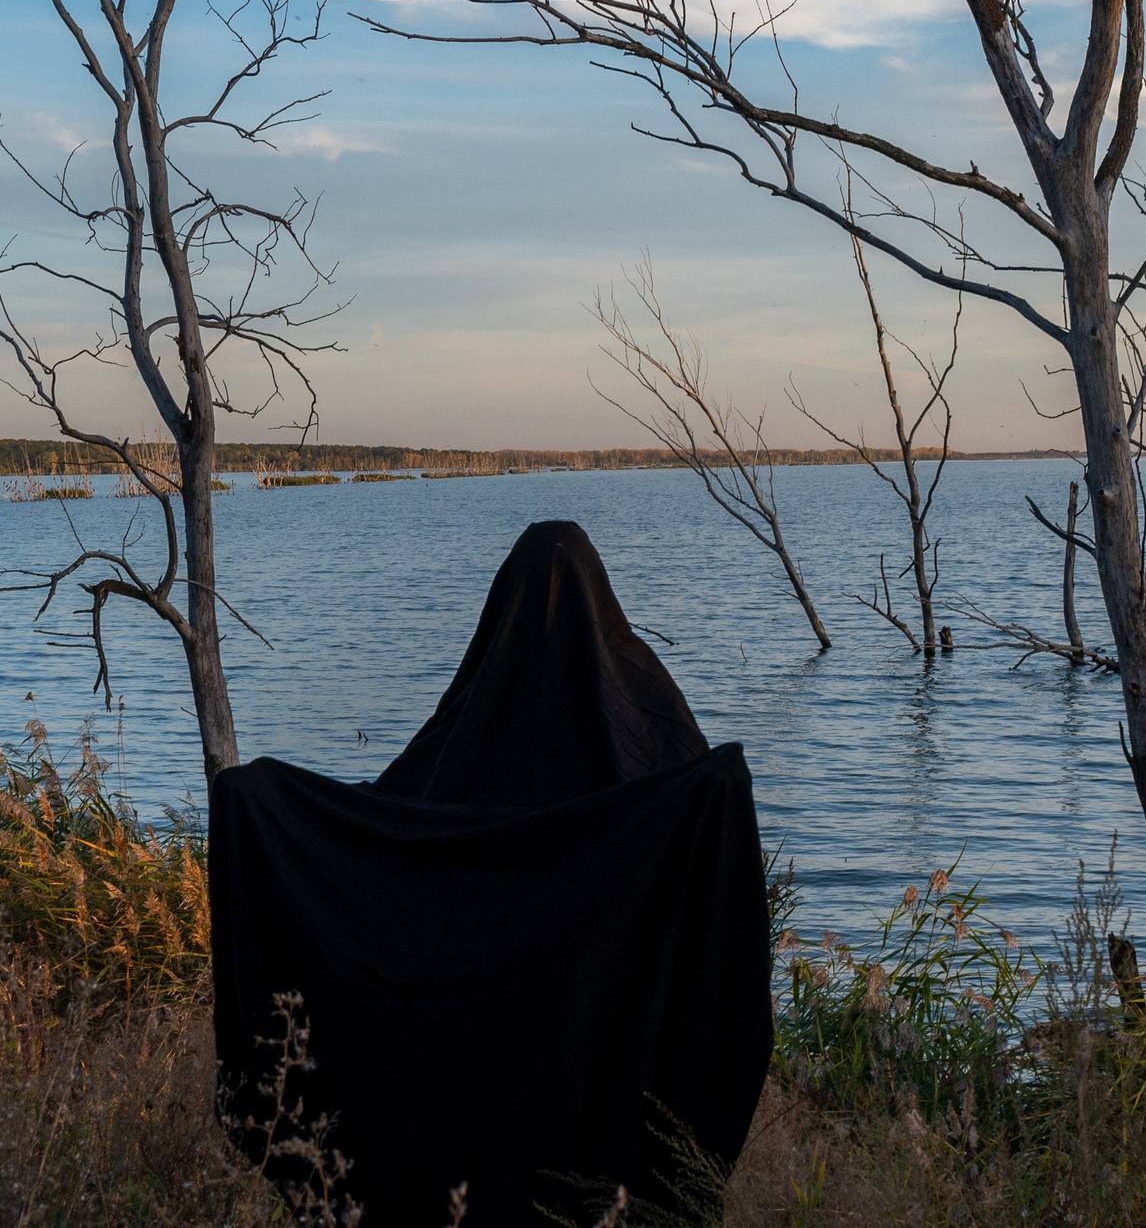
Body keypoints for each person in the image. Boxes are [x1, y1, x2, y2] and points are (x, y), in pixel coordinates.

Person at [211, 521, 772, 1226]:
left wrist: (262, 805)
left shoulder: (473, 706)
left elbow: (390, 824)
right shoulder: (636, 698)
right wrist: (716, 792)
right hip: (585, 1032)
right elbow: (680, 808)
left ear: (495, 609)